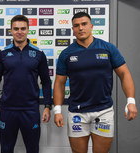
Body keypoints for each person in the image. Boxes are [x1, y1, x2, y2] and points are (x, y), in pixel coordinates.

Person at [53, 12, 137, 153]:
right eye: (76, 25)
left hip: (103, 111)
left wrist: (131, 101)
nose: (80, 28)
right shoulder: (66, 54)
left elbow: (124, 74)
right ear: (72, 29)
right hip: (77, 113)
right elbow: (60, 83)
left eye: (84, 24)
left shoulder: (108, 48)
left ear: (91, 26)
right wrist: (57, 110)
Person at [0, 15, 52, 153]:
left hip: (31, 110)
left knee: (33, 149)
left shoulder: (38, 54)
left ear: (28, 30)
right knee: (6, 149)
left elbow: (46, 81)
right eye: (16, 28)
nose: (19, 31)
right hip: (8, 110)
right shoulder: (3, 54)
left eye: (23, 28)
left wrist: (47, 106)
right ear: (11, 30)